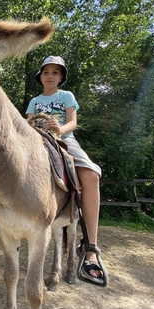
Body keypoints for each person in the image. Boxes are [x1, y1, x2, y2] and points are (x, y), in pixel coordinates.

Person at [25, 55, 106, 286]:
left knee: (91, 174)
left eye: (55, 72)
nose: (50, 76)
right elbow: (29, 123)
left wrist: (59, 129)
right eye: (46, 72)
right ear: (40, 76)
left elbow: (72, 122)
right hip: (37, 141)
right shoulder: (34, 101)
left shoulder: (66, 96)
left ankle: (90, 247)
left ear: (61, 77)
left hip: (65, 139)